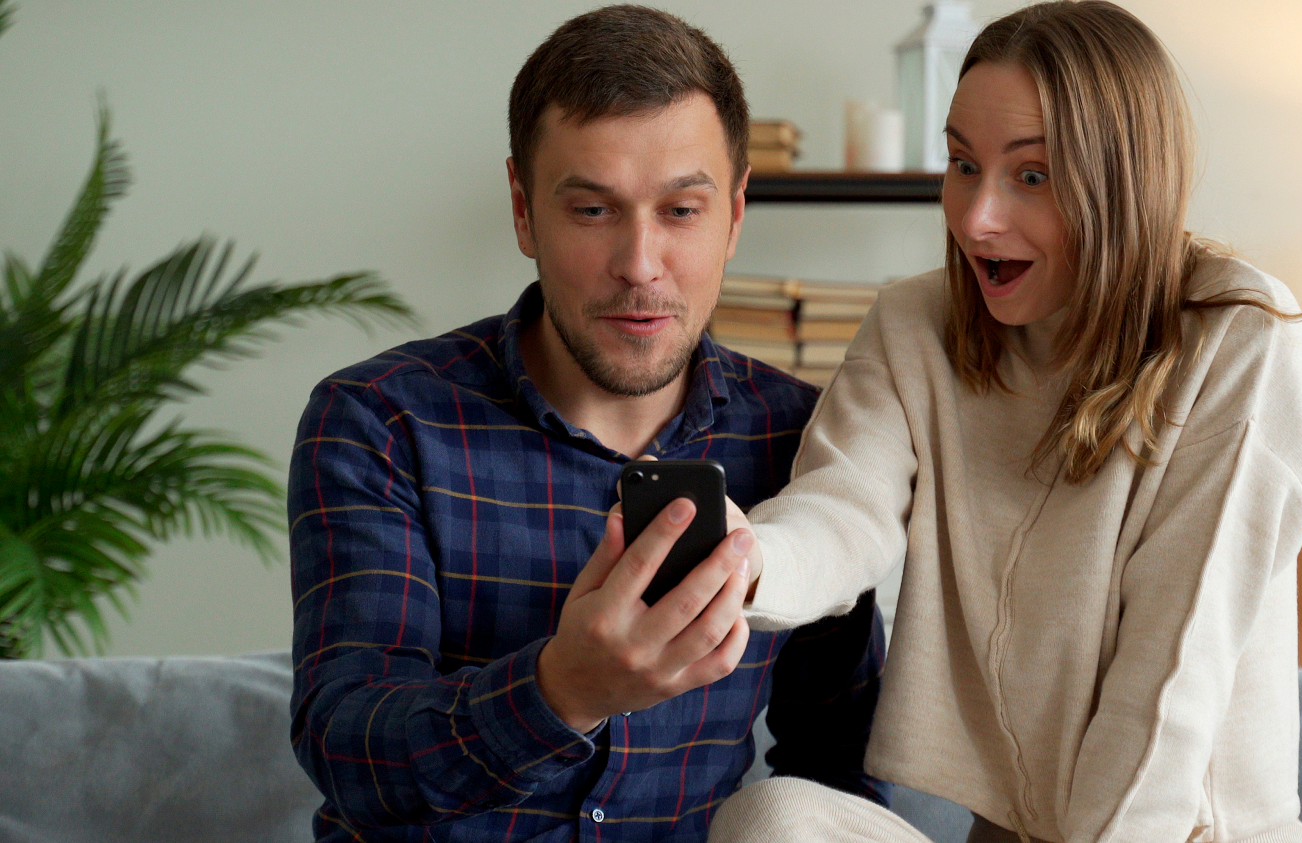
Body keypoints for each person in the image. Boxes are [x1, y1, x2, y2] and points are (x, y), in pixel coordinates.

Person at [714, 2, 1302, 842]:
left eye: (1030, 175)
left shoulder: (1236, 332)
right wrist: (745, 563)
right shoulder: (913, 323)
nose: (975, 217)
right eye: (962, 164)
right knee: (774, 817)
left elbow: (1170, 684)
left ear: (1121, 180)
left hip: (1172, 832)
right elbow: (843, 508)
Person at [286, 7, 888, 842]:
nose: (640, 265)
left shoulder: (798, 440)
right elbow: (348, 752)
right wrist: (562, 690)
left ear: (735, 214)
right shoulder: (380, 421)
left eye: (681, 210)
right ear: (524, 210)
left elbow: (842, 771)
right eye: (593, 211)